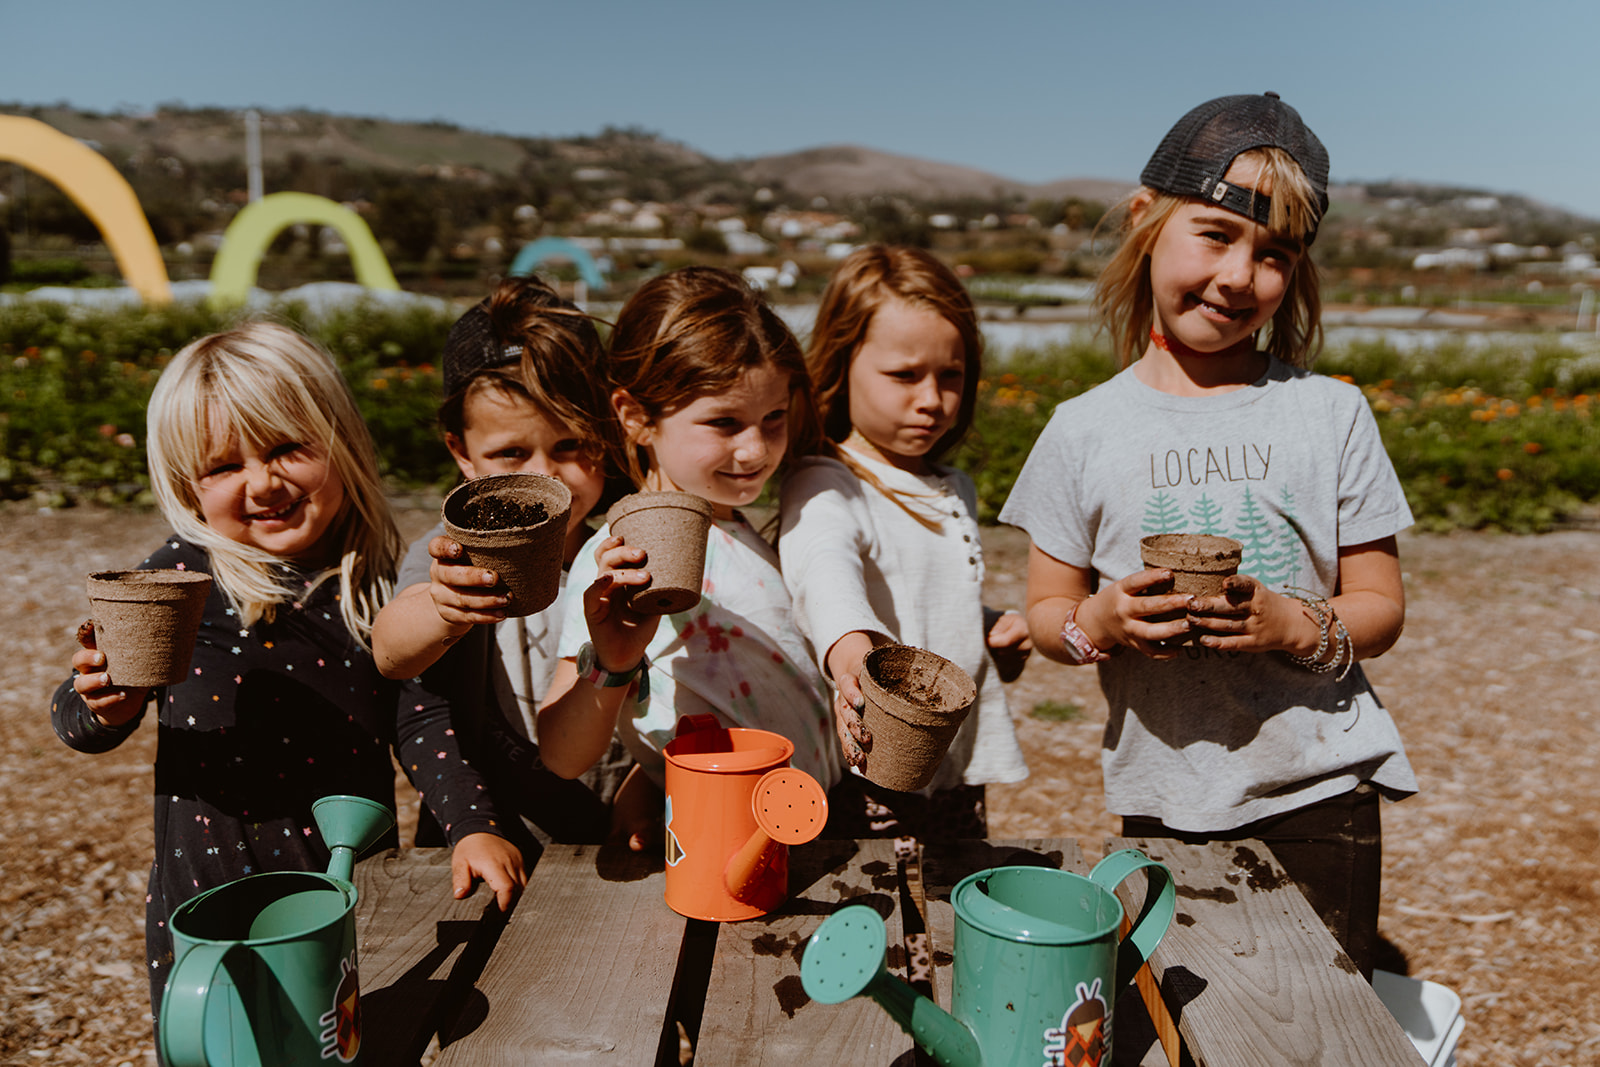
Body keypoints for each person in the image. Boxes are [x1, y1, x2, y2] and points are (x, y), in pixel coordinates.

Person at [998, 92, 1415, 978]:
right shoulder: (1082, 428)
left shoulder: (1330, 413)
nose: (1239, 277)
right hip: (1162, 793)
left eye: (1275, 255)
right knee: (1180, 1020)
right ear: (1148, 221)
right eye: (1216, 235)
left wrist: (1295, 624)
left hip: (1321, 792)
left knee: (1316, 1021)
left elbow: (1380, 605)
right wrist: (1099, 625)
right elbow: (1046, 611)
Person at [49, 322, 525, 1032]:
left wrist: (470, 823)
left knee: (338, 1039)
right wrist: (105, 704)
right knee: (221, 1041)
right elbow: (77, 716)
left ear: (339, 441)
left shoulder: (374, 585)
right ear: (187, 483)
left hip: (345, 893)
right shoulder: (179, 580)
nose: (264, 482)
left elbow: (418, 716)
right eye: (224, 465)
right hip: (209, 900)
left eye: (286, 449)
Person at [536, 266, 840, 845]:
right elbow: (562, 755)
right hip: (726, 839)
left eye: (773, 417)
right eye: (723, 422)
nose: (754, 448)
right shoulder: (622, 559)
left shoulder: (742, 528)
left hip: (806, 828)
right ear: (636, 416)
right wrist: (613, 662)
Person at [778, 245, 1029, 841]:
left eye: (951, 376)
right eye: (903, 375)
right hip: (872, 763)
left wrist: (986, 627)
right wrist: (849, 655)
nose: (931, 399)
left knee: (950, 909)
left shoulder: (950, 486)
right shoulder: (825, 483)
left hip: (953, 765)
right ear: (840, 366)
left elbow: (917, 589)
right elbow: (825, 573)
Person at [371, 277, 632, 845]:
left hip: (616, 831)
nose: (546, 474)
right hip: (494, 833)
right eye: (511, 453)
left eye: (571, 446)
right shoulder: (453, 556)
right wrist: (446, 605)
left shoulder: (627, 550)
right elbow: (391, 652)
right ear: (461, 453)